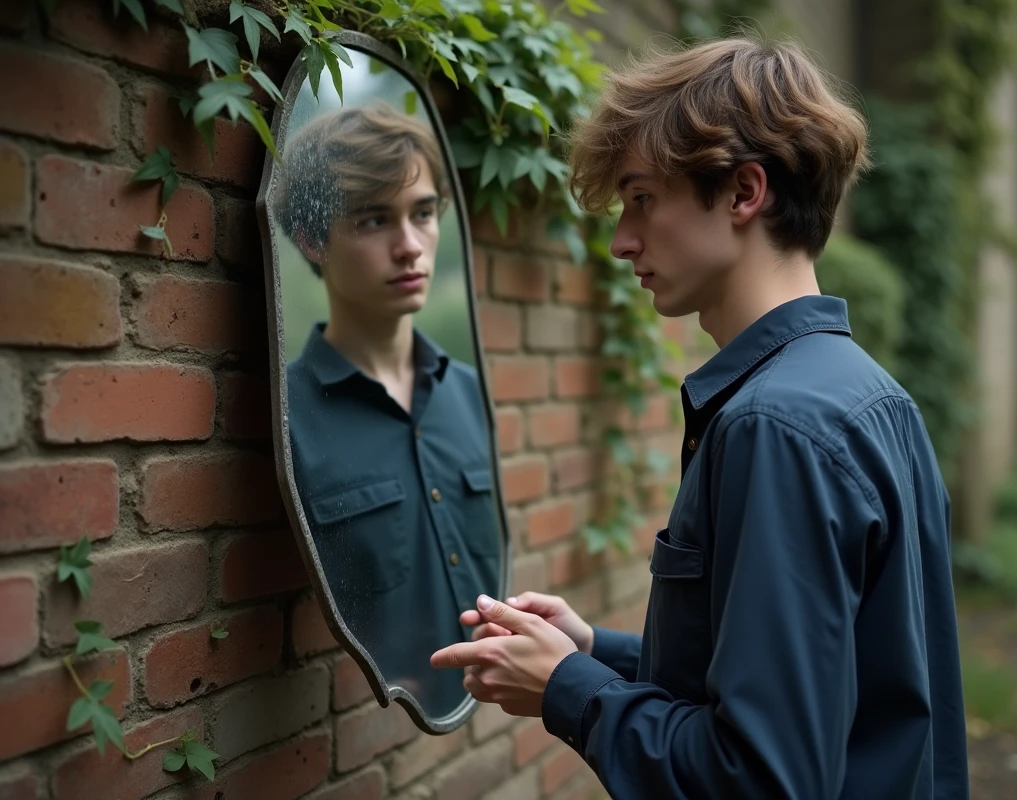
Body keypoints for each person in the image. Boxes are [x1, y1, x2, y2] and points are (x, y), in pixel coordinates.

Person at [430, 33, 970, 799]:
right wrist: (593, 651)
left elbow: (756, 778)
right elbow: (813, 681)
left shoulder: (775, 427)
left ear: (745, 193)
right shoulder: (871, 396)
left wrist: (569, 690)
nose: (621, 240)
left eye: (643, 199)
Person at [276, 103, 502, 720]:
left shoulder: (470, 395)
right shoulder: (287, 419)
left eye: (423, 214)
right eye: (375, 220)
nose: (410, 247)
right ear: (311, 241)